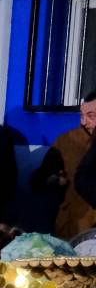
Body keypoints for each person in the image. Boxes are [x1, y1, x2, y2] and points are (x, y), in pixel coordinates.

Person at [50, 94, 96, 240]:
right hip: (74, 224)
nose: (84, 122)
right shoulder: (66, 141)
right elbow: (38, 180)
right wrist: (54, 179)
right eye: (82, 116)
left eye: (91, 116)